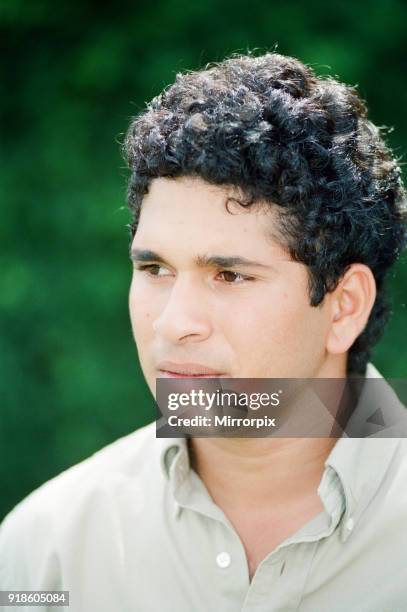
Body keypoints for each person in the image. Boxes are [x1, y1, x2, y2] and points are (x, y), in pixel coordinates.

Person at [1, 51, 406, 611]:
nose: (173, 323)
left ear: (343, 306)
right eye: (155, 270)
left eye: (230, 275)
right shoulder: (45, 555)